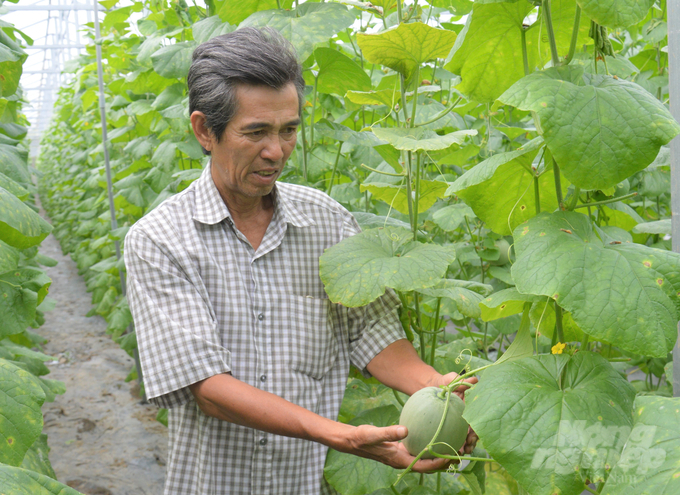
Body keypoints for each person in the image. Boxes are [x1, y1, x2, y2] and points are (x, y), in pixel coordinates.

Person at [124, 27, 476, 495]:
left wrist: (437, 388)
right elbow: (208, 389)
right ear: (204, 130)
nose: (276, 151)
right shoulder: (159, 240)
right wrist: (340, 435)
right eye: (256, 133)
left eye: (288, 130)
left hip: (306, 483)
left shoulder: (327, 221)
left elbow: (371, 333)